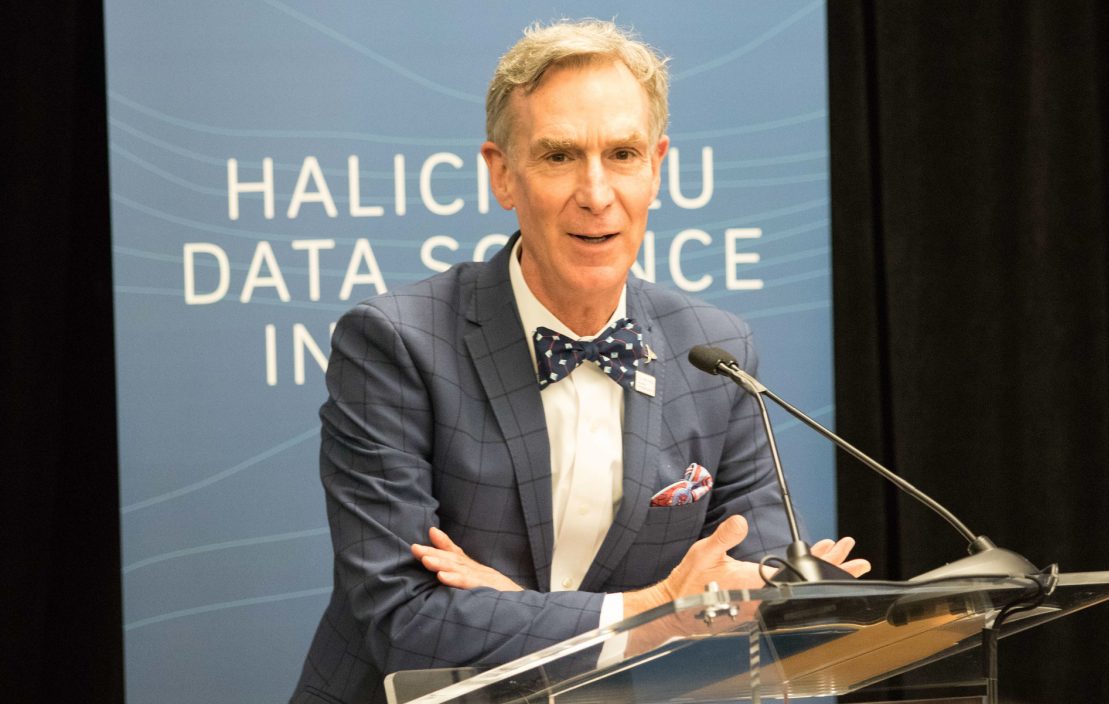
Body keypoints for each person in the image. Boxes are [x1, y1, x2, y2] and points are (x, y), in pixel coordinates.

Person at [291, 19, 867, 704]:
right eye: (560, 156)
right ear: (502, 174)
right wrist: (653, 612)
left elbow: (755, 596)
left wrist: (517, 606)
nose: (596, 194)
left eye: (622, 154)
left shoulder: (716, 353)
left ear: (656, 167)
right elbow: (406, 620)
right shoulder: (398, 343)